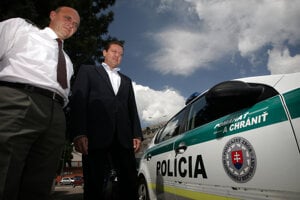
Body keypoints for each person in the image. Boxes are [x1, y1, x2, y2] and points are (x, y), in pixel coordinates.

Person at [0, 6, 80, 200]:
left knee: (40, 181)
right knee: (4, 171)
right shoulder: (21, 28)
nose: (71, 24)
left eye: (76, 24)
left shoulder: (68, 61)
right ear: (52, 15)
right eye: (67, 18)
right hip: (19, 100)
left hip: (57, 114)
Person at [70, 40, 143, 200]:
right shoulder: (88, 71)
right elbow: (79, 100)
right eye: (114, 52)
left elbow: (132, 109)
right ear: (104, 52)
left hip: (123, 139)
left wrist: (137, 134)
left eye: (121, 54)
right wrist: (79, 132)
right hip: (95, 138)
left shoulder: (126, 80)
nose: (118, 56)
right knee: (94, 184)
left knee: (130, 183)